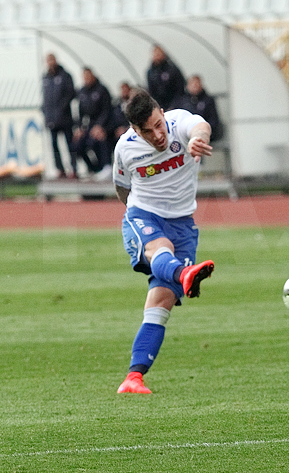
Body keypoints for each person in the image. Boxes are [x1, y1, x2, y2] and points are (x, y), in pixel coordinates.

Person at [113, 89, 216, 394]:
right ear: (135, 129)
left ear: (161, 112)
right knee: (161, 249)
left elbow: (200, 126)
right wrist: (133, 218)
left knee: (160, 304)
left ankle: (134, 378)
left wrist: (198, 139)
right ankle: (184, 273)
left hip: (183, 223)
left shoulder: (179, 122)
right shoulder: (125, 148)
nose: (158, 134)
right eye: (148, 131)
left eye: (159, 124)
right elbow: (122, 187)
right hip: (144, 215)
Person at [41, 53, 77, 179]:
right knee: (54, 145)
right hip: (51, 120)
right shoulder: (45, 78)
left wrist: (61, 109)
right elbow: (45, 98)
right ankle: (60, 169)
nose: (50, 62)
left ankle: (74, 168)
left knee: (70, 144)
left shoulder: (65, 76)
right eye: (48, 60)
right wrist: (46, 113)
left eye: (52, 59)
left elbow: (71, 94)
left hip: (65, 118)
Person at [72, 67, 113, 180]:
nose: (87, 79)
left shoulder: (102, 90)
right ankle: (94, 169)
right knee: (77, 145)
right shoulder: (82, 92)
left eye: (88, 76)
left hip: (104, 125)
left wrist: (100, 126)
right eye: (84, 77)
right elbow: (80, 113)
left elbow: (107, 110)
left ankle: (106, 167)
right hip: (89, 126)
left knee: (98, 139)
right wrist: (79, 128)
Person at [173, 75, 224, 142]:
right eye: (192, 84)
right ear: (188, 86)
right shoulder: (181, 101)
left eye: (196, 84)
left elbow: (213, 120)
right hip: (185, 135)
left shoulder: (208, 101)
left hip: (204, 134)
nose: (195, 87)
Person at [146, 45, 186, 111]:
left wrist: (174, 105)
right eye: (155, 54)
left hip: (174, 103)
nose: (157, 56)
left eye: (158, 54)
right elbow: (151, 90)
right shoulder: (150, 72)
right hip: (160, 105)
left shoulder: (172, 69)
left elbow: (180, 88)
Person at [108, 82, 132, 159]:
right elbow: (114, 119)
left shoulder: (134, 103)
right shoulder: (117, 105)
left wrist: (127, 128)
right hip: (120, 130)